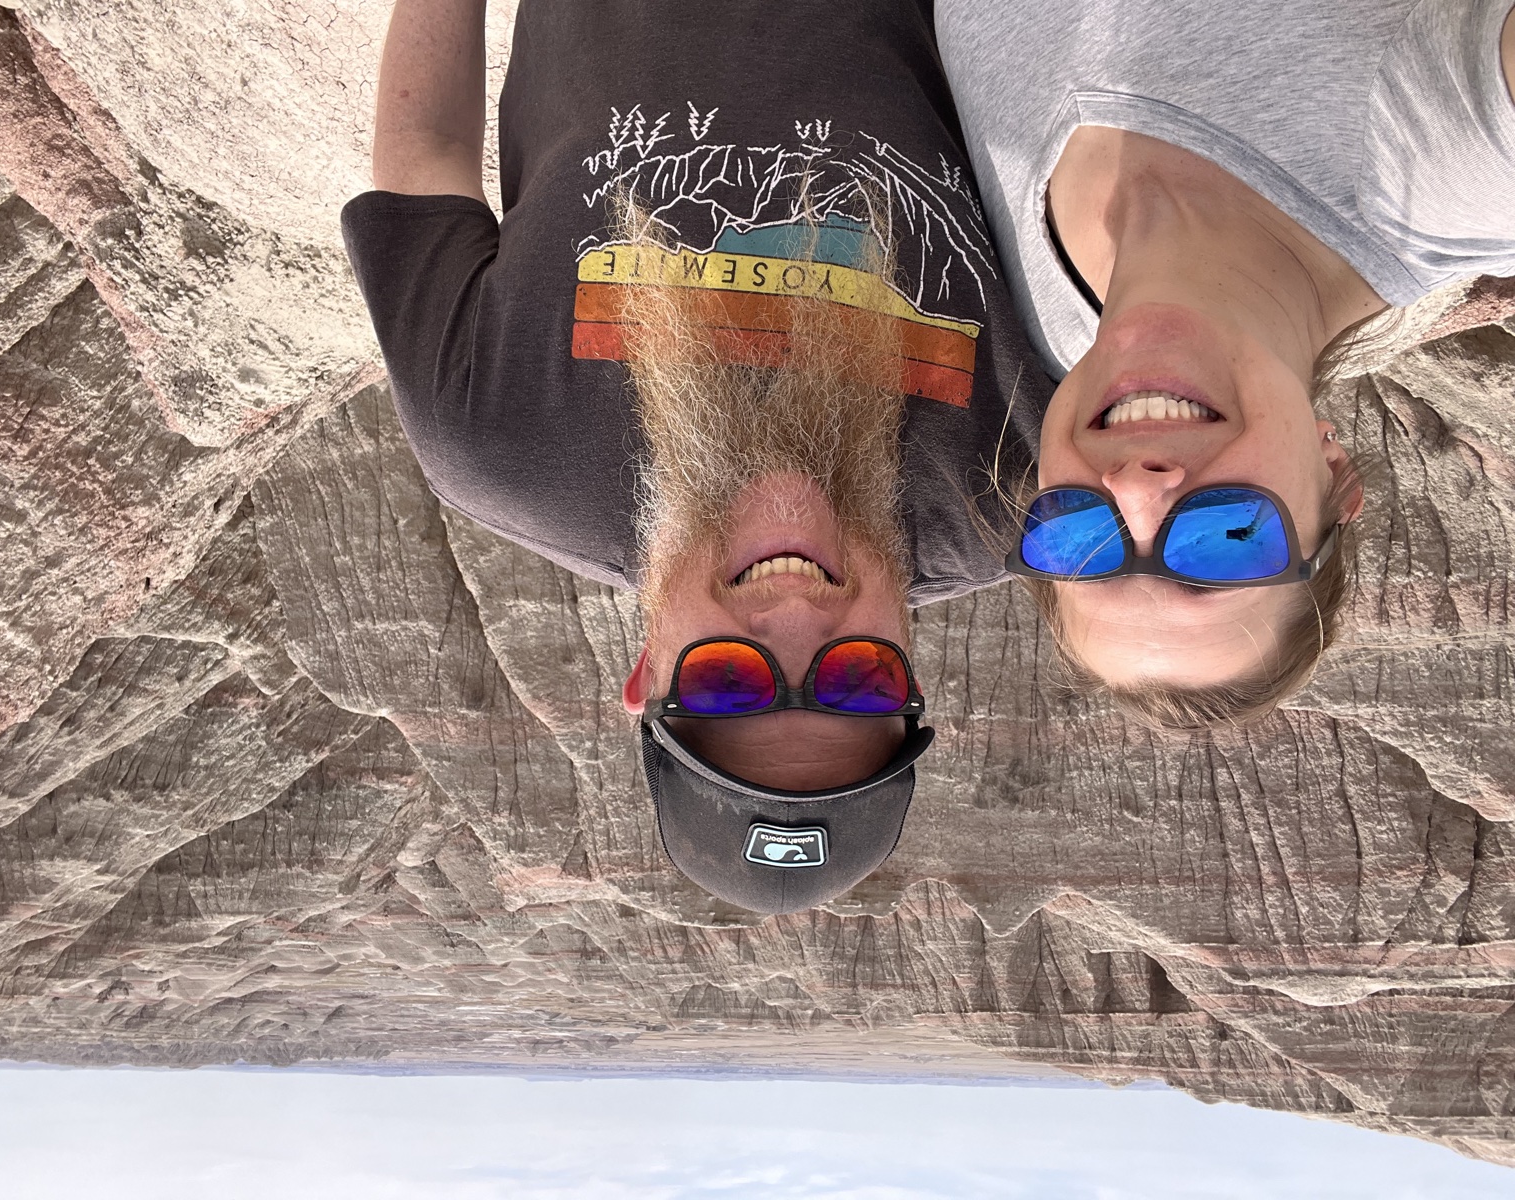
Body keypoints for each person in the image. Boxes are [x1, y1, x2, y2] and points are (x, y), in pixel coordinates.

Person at [342, 0, 1051, 913]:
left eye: (726, 685)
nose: (796, 621)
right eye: (858, 685)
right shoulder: (1023, 481)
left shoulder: (497, 446)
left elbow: (425, 162)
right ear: (909, 676)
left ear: (646, 675)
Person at [935, 0, 1515, 728]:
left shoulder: (1040, 314)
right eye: (1227, 540)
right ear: (1334, 477)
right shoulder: (1448, 164)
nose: (1135, 490)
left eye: (1083, 546)